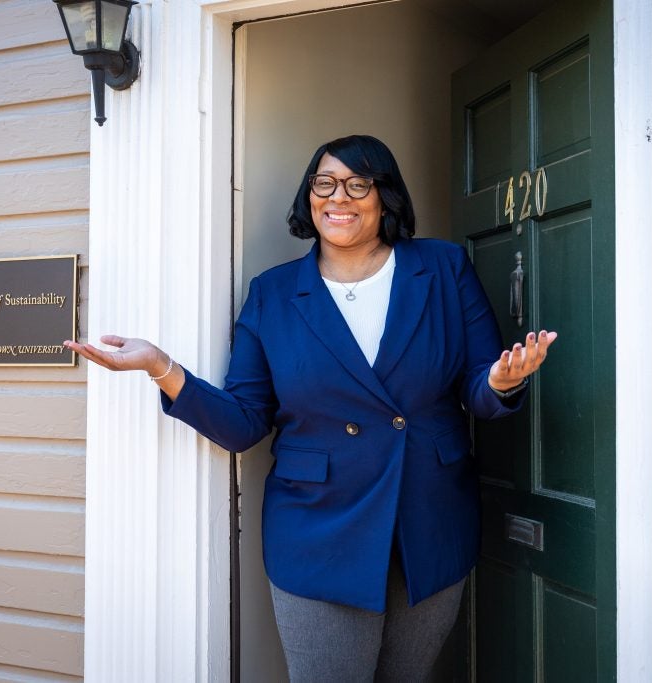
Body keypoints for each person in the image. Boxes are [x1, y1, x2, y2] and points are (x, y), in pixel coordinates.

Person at [65, 134, 556, 681]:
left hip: (430, 520)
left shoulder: (442, 268)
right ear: (310, 196)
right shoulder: (272, 294)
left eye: (357, 183)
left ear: (385, 195)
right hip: (319, 531)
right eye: (324, 183)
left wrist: (501, 381)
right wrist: (161, 367)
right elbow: (244, 421)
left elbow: (478, 388)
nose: (338, 197)